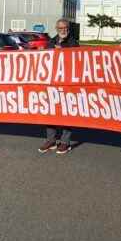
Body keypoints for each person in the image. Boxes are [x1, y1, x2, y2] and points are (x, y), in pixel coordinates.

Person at [39, 18, 79, 154]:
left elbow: (77, 61)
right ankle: (51, 140)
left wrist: (62, 51)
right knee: (50, 112)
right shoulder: (51, 42)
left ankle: (65, 142)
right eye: (61, 28)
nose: (64, 30)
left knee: (66, 112)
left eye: (66, 28)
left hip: (67, 84)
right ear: (56, 29)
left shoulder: (73, 43)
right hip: (52, 83)